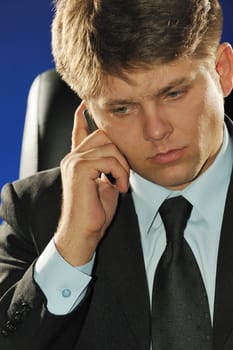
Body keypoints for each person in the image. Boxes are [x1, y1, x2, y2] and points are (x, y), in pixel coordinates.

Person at [0, 0, 233, 349]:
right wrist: (71, 247)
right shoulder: (35, 213)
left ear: (222, 70)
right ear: (89, 113)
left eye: (174, 93)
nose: (155, 130)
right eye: (122, 108)